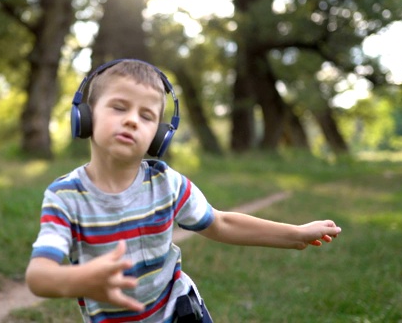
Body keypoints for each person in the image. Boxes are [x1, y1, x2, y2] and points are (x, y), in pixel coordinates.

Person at [25, 59, 341, 323]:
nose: (133, 121)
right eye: (119, 107)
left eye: (147, 115)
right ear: (86, 116)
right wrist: (80, 281)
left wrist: (295, 234)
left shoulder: (166, 182)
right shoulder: (65, 197)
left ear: (159, 136)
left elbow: (220, 223)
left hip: (180, 313)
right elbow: (39, 276)